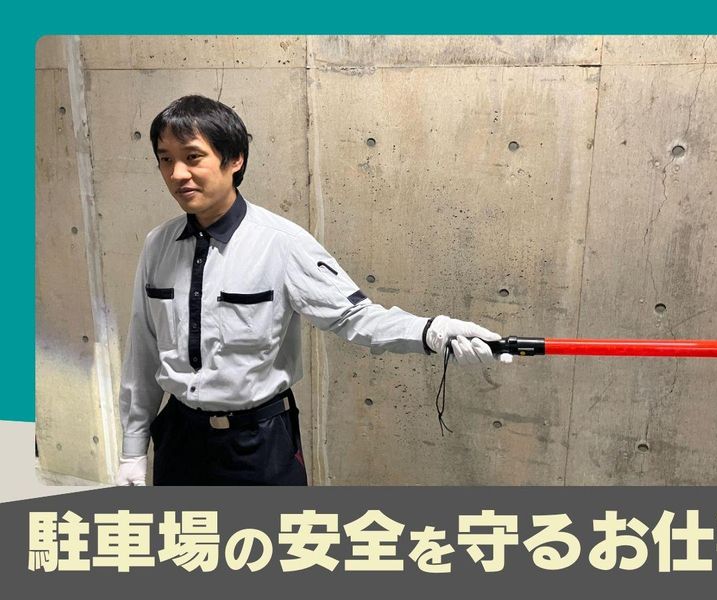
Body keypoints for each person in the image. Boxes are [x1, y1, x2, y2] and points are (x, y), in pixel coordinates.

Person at [116, 94, 511, 486]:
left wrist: (433, 331)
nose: (177, 173)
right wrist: (133, 449)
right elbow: (143, 350)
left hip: (257, 445)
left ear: (234, 159)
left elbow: (354, 316)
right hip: (179, 440)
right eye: (165, 159)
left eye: (192, 157)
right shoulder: (157, 245)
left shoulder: (283, 244)